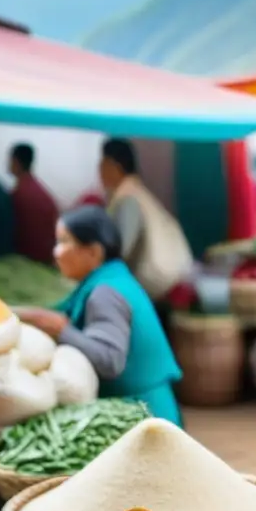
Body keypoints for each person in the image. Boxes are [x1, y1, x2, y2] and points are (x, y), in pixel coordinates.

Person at [17, 206, 183, 426]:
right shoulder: (112, 278)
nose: (56, 252)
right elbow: (57, 312)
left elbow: (110, 360)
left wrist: (61, 331)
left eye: (65, 242)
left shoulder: (105, 294)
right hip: (145, 412)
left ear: (94, 252)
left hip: (143, 417)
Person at [99, 138, 193, 305]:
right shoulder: (135, 192)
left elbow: (121, 250)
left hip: (159, 283)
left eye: (102, 165)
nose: (99, 172)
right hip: (170, 275)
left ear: (115, 166)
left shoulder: (128, 200)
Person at [10, 143, 60, 265]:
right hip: (48, 257)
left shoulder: (18, 195)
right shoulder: (42, 193)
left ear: (15, 162)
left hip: (28, 259)